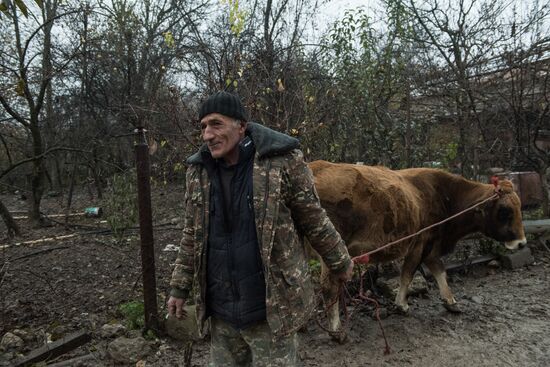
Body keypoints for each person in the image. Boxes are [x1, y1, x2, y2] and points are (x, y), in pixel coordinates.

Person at [167, 91, 353, 366]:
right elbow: (191, 235)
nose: (207, 135)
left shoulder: (281, 161)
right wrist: (179, 288)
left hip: (270, 311)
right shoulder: (198, 171)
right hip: (222, 313)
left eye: (216, 124)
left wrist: (340, 261)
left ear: (241, 125)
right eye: (203, 126)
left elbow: (313, 218)